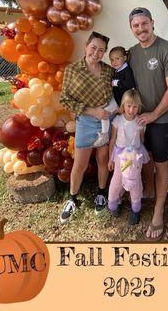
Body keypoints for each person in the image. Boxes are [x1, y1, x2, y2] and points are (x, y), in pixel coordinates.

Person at [127, 7, 168, 241]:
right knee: (144, 158)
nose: (141, 28)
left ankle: (158, 211)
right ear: (131, 28)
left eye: (144, 23)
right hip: (139, 120)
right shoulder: (131, 53)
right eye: (136, 25)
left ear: (152, 23)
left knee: (160, 163)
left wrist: (154, 115)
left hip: (161, 120)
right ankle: (148, 192)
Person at [59, 31, 115, 223]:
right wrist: (92, 111)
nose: (96, 53)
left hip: (106, 121)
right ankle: (72, 198)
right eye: (93, 48)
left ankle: (101, 193)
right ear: (86, 46)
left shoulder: (108, 70)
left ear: (104, 52)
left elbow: (116, 93)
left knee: (102, 159)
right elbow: (65, 100)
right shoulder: (72, 70)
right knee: (80, 163)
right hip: (86, 121)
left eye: (101, 50)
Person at [107, 89, 149, 225]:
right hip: (120, 156)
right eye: (129, 106)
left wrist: (139, 152)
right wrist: (110, 159)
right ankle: (114, 201)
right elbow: (113, 140)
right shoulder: (118, 121)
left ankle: (135, 208)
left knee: (135, 181)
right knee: (117, 180)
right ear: (123, 105)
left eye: (135, 106)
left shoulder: (139, 122)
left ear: (139, 107)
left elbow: (142, 139)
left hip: (135, 157)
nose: (131, 110)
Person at [93, 46, 136, 147]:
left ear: (124, 58)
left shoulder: (127, 70)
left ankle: (106, 135)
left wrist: (116, 82)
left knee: (107, 113)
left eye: (117, 59)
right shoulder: (116, 70)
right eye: (112, 60)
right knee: (104, 110)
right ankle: (105, 134)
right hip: (116, 97)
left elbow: (130, 84)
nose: (114, 62)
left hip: (123, 100)